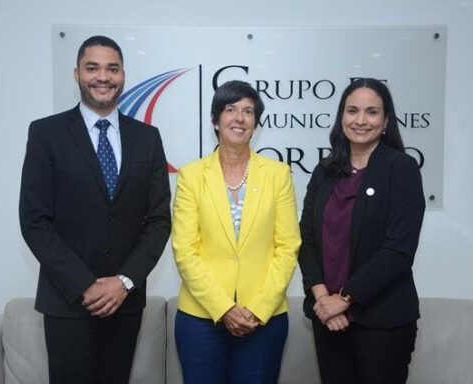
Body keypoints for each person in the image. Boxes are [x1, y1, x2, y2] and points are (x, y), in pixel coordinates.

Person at [19, 35, 171, 384]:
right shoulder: (46, 133)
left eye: (112, 69)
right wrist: (85, 285)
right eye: (93, 68)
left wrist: (124, 281)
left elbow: (159, 220)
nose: (103, 77)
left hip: (125, 303)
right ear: (76, 74)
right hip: (68, 303)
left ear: (123, 76)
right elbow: (34, 220)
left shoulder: (148, 138)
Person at [172, 80, 301, 383]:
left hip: (263, 319)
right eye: (230, 109)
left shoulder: (277, 174)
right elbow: (185, 249)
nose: (239, 118)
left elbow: (288, 246)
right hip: (200, 319)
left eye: (248, 111)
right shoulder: (191, 176)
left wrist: (258, 308)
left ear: (256, 123)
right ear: (215, 120)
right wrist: (224, 308)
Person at [298, 78, 425, 384]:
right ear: (341, 116)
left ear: (385, 122)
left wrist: (344, 298)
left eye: (371, 112)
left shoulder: (402, 169)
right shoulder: (325, 171)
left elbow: (398, 251)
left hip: (383, 322)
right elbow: (306, 239)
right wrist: (323, 300)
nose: (360, 120)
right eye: (352, 110)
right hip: (328, 318)